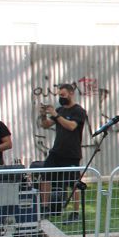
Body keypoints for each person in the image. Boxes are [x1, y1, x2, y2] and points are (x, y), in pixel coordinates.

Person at [38, 83, 87, 218]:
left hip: (71, 153)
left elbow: (71, 126)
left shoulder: (79, 111)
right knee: (45, 176)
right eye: (59, 95)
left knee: (74, 182)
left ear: (71, 93)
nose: (61, 97)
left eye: (63, 95)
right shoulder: (60, 110)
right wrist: (43, 115)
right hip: (56, 151)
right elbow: (46, 125)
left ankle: (75, 212)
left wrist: (56, 115)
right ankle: (45, 207)